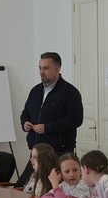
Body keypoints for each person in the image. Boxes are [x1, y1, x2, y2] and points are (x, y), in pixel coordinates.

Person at [16, 52, 83, 187]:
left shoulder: (70, 92)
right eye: (40, 68)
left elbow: (76, 120)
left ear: (58, 68)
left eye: (46, 68)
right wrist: (25, 123)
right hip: (37, 153)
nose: (41, 72)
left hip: (58, 153)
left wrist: (47, 128)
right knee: (22, 188)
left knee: (49, 191)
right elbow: (25, 113)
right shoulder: (35, 91)